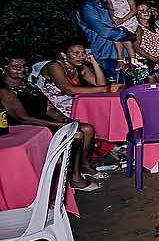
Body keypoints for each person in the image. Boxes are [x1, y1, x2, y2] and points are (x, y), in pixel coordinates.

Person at [1, 53, 106, 191]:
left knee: (87, 129)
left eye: (24, 66)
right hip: (29, 129)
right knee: (77, 134)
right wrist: (60, 125)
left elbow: (49, 108)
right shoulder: (4, 90)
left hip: (45, 122)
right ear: (3, 70)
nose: (22, 69)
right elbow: (23, 118)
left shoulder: (29, 85)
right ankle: (74, 178)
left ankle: (84, 167)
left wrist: (65, 119)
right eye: (16, 67)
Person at [39, 38, 120, 117]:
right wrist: (105, 89)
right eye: (76, 53)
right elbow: (69, 90)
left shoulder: (81, 67)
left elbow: (101, 84)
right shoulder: (54, 66)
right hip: (51, 107)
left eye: (83, 53)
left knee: (103, 108)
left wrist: (94, 63)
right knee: (95, 111)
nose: (81, 56)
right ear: (64, 55)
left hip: (71, 102)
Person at [76, 0, 132, 79]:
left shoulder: (107, 3)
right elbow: (105, 32)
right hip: (107, 56)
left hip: (125, 54)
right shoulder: (86, 8)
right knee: (114, 91)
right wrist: (128, 36)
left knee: (129, 91)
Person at [106, 0, 138, 70]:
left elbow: (133, 11)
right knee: (117, 39)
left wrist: (123, 19)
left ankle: (134, 63)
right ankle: (120, 60)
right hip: (118, 22)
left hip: (129, 22)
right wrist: (113, 18)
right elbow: (110, 10)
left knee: (128, 43)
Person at [133, 4, 159, 83]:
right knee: (151, 88)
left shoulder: (154, 27)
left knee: (156, 87)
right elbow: (136, 47)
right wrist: (153, 58)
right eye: (142, 11)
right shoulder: (138, 28)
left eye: (148, 10)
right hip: (145, 61)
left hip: (158, 62)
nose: (146, 12)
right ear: (137, 14)